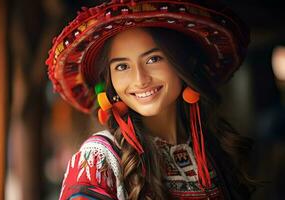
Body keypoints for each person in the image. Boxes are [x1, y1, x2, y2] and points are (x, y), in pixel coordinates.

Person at [46, 0, 256, 199]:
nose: (140, 79)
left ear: (184, 64)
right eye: (122, 66)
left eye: (153, 59)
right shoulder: (99, 161)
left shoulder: (219, 149)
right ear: (109, 80)